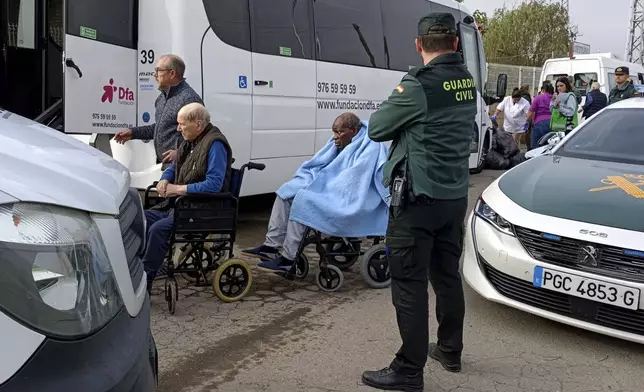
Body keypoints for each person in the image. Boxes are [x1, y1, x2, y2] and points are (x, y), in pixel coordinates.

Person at [360, 12, 477, 392]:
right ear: (456, 44)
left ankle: (409, 370)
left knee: (409, 285)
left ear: (418, 45)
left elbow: (377, 129)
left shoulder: (417, 85)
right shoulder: (467, 81)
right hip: (454, 197)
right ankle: (449, 349)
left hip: (417, 201)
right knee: (446, 277)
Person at [242, 112, 389, 272]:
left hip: (349, 198)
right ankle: (270, 246)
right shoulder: (340, 142)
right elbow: (319, 163)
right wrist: (309, 181)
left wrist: (321, 188)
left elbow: (354, 180)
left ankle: (288, 259)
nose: (335, 137)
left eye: (339, 132)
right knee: (284, 193)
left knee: (303, 201)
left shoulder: (370, 147)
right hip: (329, 186)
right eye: (334, 132)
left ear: (353, 131)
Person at [142, 103, 232, 292]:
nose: (178, 128)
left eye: (181, 124)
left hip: (201, 210)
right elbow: (175, 167)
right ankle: (139, 268)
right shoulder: (190, 142)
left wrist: (178, 189)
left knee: (158, 229)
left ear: (198, 125)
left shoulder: (215, 144)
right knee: (140, 219)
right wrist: (164, 181)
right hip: (181, 206)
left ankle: (145, 280)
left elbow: (214, 184)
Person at [113, 54, 204, 165]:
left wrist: (180, 153)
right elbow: (160, 128)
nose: (155, 75)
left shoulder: (189, 99)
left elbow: (201, 135)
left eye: (158, 70)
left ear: (172, 73)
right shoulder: (161, 99)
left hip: (182, 166)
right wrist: (133, 133)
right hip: (165, 166)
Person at [527, 81, 555, 149]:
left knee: (535, 146)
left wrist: (527, 121)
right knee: (550, 145)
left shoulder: (538, 98)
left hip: (539, 123)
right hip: (553, 123)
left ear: (543, 90)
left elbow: (530, 113)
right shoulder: (555, 98)